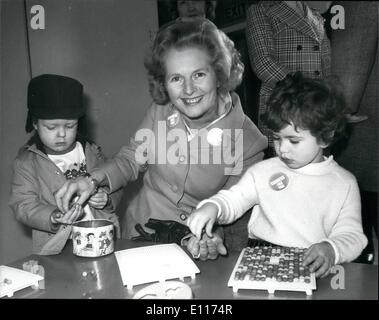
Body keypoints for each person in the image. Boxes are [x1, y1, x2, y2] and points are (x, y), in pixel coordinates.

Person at [54, 17, 268, 260]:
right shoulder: (161, 112)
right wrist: (91, 181)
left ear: (219, 73)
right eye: (176, 78)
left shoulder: (248, 141)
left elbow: (232, 204)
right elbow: (130, 159)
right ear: (164, 83)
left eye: (198, 74)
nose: (188, 90)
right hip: (142, 234)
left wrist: (213, 234)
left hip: (198, 244)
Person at [187, 72, 367, 277]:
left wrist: (332, 249)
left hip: (311, 262)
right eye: (277, 138)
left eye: (294, 141)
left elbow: (352, 235)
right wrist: (214, 206)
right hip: (259, 256)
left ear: (325, 137)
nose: (283, 149)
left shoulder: (344, 183)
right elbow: (234, 199)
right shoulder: (264, 171)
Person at [9, 74, 121, 255]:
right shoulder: (27, 162)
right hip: (58, 246)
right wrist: (53, 215)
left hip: (102, 238)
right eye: (51, 128)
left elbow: (115, 184)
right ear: (35, 124)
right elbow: (23, 205)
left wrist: (106, 199)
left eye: (70, 126)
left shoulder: (92, 151)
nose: (61, 134)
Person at [246, 1, 331, 156]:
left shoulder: (314, 13)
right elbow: (263, 64)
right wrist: (305, 93)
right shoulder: (261, 10)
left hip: (317, 110)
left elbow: (326, 66)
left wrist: (332, 102)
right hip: (284, 107)